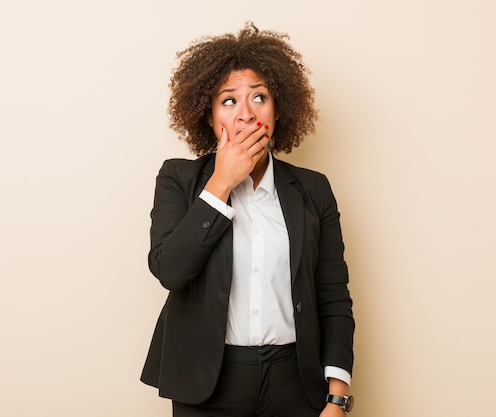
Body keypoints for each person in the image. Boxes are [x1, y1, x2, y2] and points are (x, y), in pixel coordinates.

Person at [141, 22, 355, 417]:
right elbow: (170, 270)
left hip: (297, 383)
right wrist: (222, 182)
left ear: (279, 110)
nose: (245, 114)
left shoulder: (313, 189)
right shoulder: (179, 179)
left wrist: (337, 397)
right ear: (207, 116)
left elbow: (333, 296)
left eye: (259, 97)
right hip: (209, 386)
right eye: (228, 101)